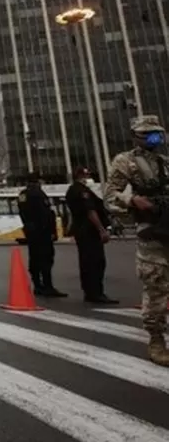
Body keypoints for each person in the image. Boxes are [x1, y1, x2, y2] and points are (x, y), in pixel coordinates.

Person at [103, 114, 169, 367]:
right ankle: (156, 340)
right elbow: (109, 196)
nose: (156, 138)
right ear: (137, 136)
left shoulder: (165, 161)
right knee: (156, 283)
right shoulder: (126, 161)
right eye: (149, 134)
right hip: (151, 228)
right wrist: (132, 201)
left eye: (158, 133)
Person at [65, 166, 118, 304]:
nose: (88, 178)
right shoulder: (82, 191)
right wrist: (101, 230)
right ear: (81, 176)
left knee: (86, 262)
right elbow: (90, 211)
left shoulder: (72, 190)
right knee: (96, 262)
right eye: (86, 175)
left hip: (82, 231)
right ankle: (96, 293)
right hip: (89, 231)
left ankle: (90, 292)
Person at [17, 172, 66, 297]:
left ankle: (37, 285)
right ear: (38, 181)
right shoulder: (38, 194)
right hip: (42, 232)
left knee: (34, 258)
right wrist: (51, 231)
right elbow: (46, 214)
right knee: (46, 258)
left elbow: (23, 213)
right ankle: (47, 286)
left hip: (31, 231)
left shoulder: (22, 195)